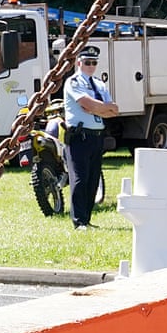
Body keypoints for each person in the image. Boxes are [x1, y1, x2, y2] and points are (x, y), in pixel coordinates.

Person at [62, 45, 119, 230]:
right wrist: (101, 107)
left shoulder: (99, 84)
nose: (91, 66)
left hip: (96, 136)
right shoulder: (74, 82)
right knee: (79, 179)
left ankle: (86, 219)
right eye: (87, 62)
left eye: (94, 62)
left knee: (93, 179)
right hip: (79, 136)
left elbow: (114, 110)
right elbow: (86, 103)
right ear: (79, 62)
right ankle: (79, 222)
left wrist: (97, 108)